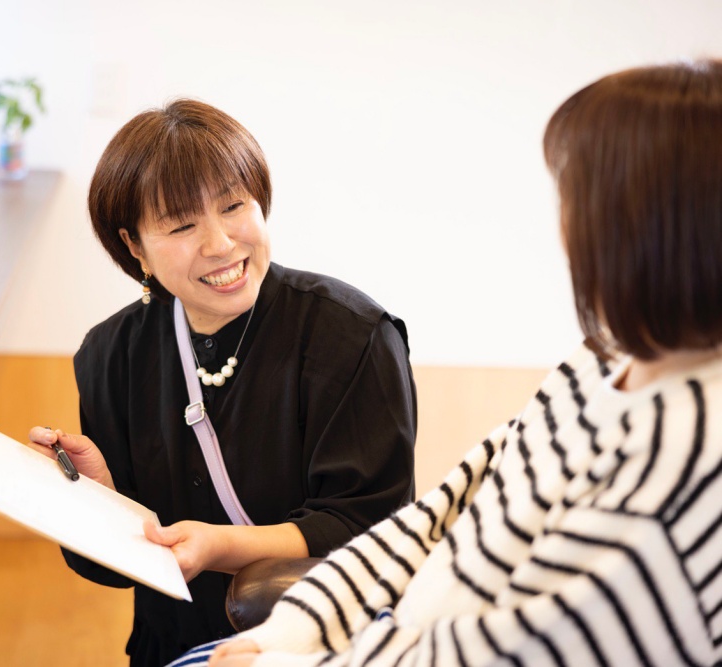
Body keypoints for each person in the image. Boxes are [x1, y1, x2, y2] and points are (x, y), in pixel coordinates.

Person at [176, 60, 722, 666]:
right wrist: (287, 635)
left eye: (576, 196)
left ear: (647, 227)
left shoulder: (687, 453)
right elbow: (444, 513)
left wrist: (288, 662)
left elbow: (521, 649)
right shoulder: (599, 361)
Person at [25, 99, 418, 666]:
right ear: (134, 245)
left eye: (234, 206)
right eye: (183, 225)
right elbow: (115, 568)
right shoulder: (111, 354)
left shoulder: (352, 337)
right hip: (174, 648)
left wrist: (220, 547)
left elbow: (369, 530)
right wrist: (99, 496)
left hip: (316, 644)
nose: (220, 243)